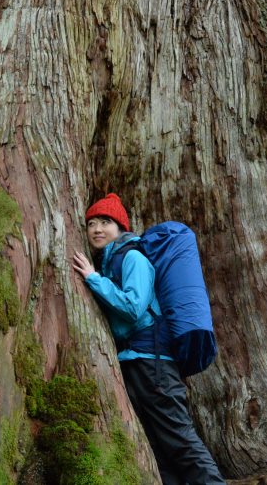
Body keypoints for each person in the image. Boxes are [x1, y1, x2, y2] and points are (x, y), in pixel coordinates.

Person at [71, 193, 225, 485]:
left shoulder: (133, 258)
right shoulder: (108, 262)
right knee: (156, 449)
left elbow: (133, 307)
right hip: (133, 364)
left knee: (180, 441)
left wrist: (93, 279)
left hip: (155, 365)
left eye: (105, 222)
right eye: (91, 223)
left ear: (121, 228)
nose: (97, 229)